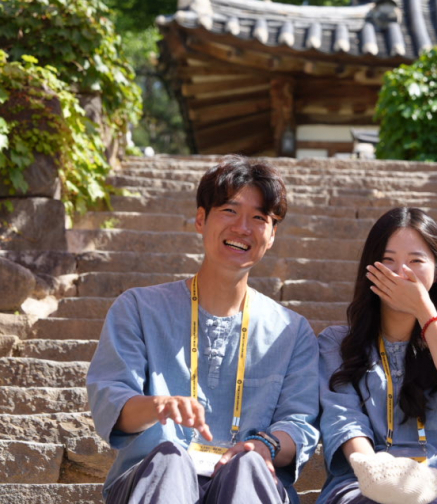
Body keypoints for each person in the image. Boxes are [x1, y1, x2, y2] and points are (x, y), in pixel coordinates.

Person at [87, 156, 320, 504]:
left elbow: (299, 424)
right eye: (229, 210)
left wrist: (265, 445)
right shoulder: (138, 308)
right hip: (153, 480)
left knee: (249, 465)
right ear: (201, 218)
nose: (243, 227)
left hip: (249, 486)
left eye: (259, 218)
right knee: (170, 459)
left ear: (271, 236)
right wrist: (158, 406)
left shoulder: (292, 331)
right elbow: (113, 402)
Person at [316, 207, 437, 504]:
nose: (401, 272)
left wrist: (424, 311)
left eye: (416, 260)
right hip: (364, 479)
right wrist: (373, 469)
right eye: (388, 260)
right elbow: (343, 419)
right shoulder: (337, 343)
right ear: (369, 267)